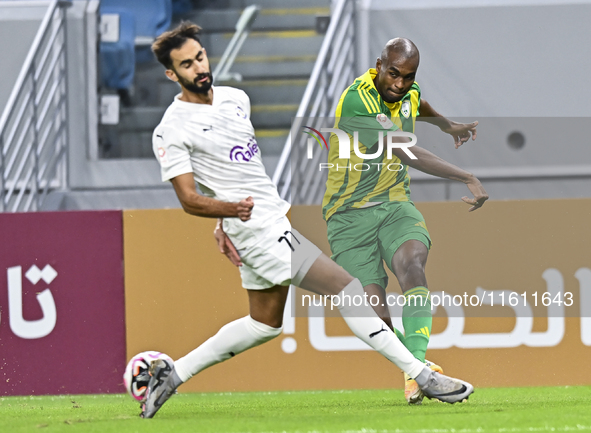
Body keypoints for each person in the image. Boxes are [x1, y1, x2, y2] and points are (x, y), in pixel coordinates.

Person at [141, 22, 475, 419]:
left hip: (268, 221)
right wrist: (229, 214)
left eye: (200, 56)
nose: (198, 67)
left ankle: (171, 373)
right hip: (257, 230)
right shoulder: (172, 128)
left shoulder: (235, 99)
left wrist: (222, 221)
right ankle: (420, 374)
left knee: (263, 324)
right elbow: (189, 198)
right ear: (171, 74)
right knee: (348, 289)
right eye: (186, 64)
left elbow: (229, 175)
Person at [321, 37, 489, 404]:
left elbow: (418, 103)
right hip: (348, 215)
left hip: (395, 203)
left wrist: (447, 126)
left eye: (408, 77)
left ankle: (418, 372)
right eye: (393, 74)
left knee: (413, 263)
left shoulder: (408, 92)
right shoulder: (357, 101)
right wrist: (466, 176)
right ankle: (418, 370)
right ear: (378, 64)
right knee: (374, 315)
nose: (399, 84)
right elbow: (404, 149)